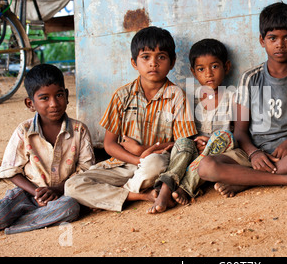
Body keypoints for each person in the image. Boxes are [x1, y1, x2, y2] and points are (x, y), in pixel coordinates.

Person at [197, 2, 287, 198]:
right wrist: (254, 154)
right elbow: (240, 131)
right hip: (254, 153)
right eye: (272, 38)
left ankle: (247, 181)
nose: (280, 44)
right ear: (262, 40)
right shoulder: (250, 78)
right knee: (206, 166)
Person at [65, 26, 197, 212]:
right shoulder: (122, 96)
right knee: (71, 185)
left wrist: (144, 151)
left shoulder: (177, 96)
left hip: (156, 165)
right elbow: (110, 145)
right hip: (122, 164)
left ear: (172, 62)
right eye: (146, 57)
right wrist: (136, 159)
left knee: (154, 164)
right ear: (134, 62)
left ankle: (110, 196)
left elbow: (182, 143)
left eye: (161, 57)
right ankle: (142, 195)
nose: (153, 63)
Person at [0, 64, 95, 234]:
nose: (54, 103)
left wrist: (56, 190)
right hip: (27, 193)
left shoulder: (80, 130)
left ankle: (17, 225)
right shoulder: (24, 131)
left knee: (69, 208)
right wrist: (37, 193)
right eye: (44, 98)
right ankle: (33, 216)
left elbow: (86, 170)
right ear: (30, 103)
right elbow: (11, 170)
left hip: (62, 195)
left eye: (59, 95)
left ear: (67, 96)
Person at [148, 38, 236, 213]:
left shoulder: (234, 98)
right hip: (196, 152)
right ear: (193, 72)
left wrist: (211, 142)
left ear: (226, 67)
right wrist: (196, 140)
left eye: (215, 67)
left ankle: (186, 188)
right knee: (182, 142)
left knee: (222, 137)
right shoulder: (189, 99)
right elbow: (184, 133)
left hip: (221, 153)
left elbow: (237, 134)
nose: (209, 74)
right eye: (201, 69)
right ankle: (166, 188)